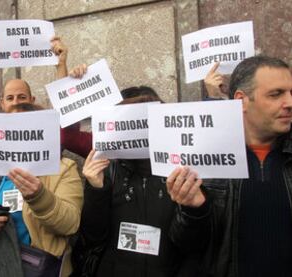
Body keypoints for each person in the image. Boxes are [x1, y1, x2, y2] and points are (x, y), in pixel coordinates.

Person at [167, 55, 292, 277]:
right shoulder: (204, 162)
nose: (289, 103)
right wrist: (193, 210)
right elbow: (186, 245)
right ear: (242, 100)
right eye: (276, 94)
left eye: (291, 93)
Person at [78, 93, 195, 277]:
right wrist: (96, 190)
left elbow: (192, 243)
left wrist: (195, 207)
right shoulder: (108, 170)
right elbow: (92, 237)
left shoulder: (181, 172)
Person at [0, 102, 84, 277]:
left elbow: (70, 224)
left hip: (36, 268)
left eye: (25, 126)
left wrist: (39, 197)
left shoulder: (62, 168)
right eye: (10, 127)